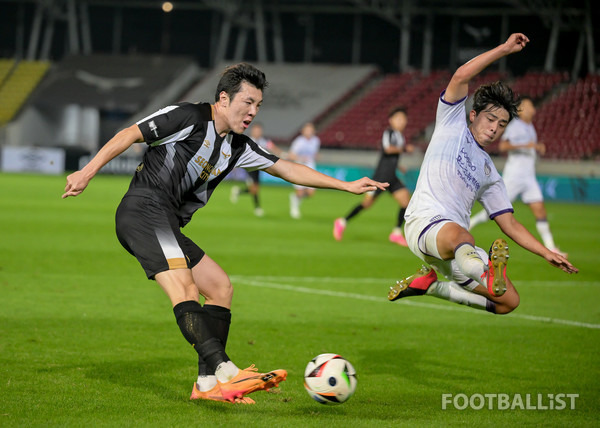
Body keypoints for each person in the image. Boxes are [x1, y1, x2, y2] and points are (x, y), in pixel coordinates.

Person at [62, 63, 388, 404]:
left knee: (219, 287)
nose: (252, 111)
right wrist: (87, 171)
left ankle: (206, 386)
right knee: (185, 286)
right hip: (143, 210)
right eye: (247, 102)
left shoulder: (238, 146)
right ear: (223, 98)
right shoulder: (187, 117)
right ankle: (226, 371)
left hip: (166, 222)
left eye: (258, 105)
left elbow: (286, 168)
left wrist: (344, 186)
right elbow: (129, 133)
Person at [387, 34, 578, 315]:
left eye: (501, 125)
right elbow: (461, 75)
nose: (494, 128)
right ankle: (484, 271)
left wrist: (546, 252)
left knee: (508, 303)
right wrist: (503, 49)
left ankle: (432, 286)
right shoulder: (452, 122)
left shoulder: (490, 172)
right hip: (425, 224)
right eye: (490, 119)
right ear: (473, 114)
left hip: (454, 252)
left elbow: (510, 224)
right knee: (462, 237)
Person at [469, 96, 567, 257]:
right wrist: (527, 145)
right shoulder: (515, 126)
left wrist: (535, 148)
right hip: (515, 176)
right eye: (526, 106)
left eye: (531, 106)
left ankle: (551, 248)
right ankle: (471, 222)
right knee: (498, 209)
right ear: (520, 110)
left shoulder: (530, 127)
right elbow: (503, 145)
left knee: (540, 210)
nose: (530, 109)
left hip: (529, 177)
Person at [333, 107, 414, 246]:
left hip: (392, 176)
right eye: (398, 118)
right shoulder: (389, 133)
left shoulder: (400, 136)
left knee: (406, 201)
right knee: (366, 204)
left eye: (403, 119)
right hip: (381, 176)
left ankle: (396, 233)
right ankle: (342, 222)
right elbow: (388, 149)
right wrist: (405, 149)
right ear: (391, 120)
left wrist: (399, 166)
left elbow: (392, 155)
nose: (402, 121)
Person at [229, 122, 280, 217]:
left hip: (258, 168)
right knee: (255, 189)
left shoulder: (263, 141)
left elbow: (272, 147)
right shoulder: (247, 140)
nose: (258, 132)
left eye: (259, 130)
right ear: (252, 130)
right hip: (248, 168)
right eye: (256, 130)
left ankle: (239, 191)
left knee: (255, 189)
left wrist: (282, 154)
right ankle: (258, 208)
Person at [287, 122, 321, 219]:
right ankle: (295, 207)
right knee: (300, 192)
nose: (309, 132)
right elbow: (291, 155)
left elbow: (315, 153)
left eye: (310, 130)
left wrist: (316, 156)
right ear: (303, 131)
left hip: (310, 168)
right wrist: (301, 158)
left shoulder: (316, 141)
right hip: (299, 168)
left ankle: (295, 199)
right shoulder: (299, 142)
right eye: (307, 130)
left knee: (311, 193)